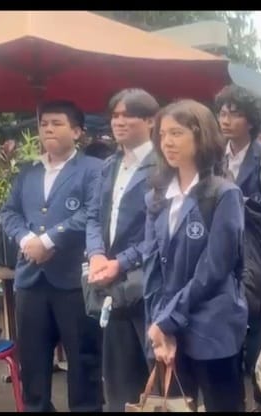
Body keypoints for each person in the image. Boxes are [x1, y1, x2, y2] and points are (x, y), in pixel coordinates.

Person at [143, 99, 247, 411]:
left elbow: (214, 269)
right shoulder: (157, 196)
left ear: (200, 136)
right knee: (174, 404)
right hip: (167, 326)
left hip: (212, 324)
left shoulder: (223, 194)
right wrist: (159, 324)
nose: (167, 142)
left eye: (176, 133)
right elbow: (152, 265)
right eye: (162, 135)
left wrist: (168, 320)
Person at [0, 100, 104, 412]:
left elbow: (92, 213)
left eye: (57, 123)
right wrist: (27, 238)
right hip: (31, 279)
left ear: (77, 131)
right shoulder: (28, 172)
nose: (48, 129)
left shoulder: (94, 170)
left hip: (73, 279)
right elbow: (9, 212)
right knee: (33, 359)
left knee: (83, 358)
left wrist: (48, 240)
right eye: (44, 124)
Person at [85, 88, 159, 411]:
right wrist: (96, 255)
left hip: (148, 284)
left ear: (150, 120)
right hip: (111, 284)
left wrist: (121, 262)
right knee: (118, 381)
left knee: (158, 379)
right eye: (115, 115)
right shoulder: (109, 166)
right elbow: (93, 216)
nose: (119, 122)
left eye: (129, 115)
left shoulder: (163, 165)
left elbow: (160, 232)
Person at [215, 85, 261, 411]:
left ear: (252, 120)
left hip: (259, 263)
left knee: (258, 343)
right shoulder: (214, 158)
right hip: (222, 261)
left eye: (235, 114)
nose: (226, 120)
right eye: (222, 113)